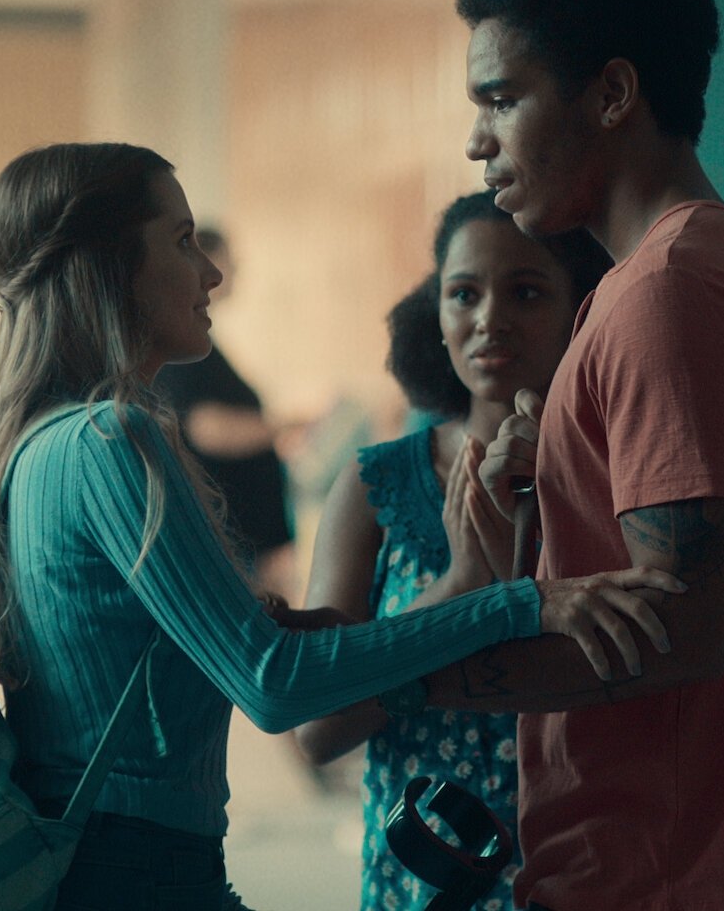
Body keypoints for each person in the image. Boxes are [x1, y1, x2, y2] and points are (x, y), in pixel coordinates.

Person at [0, 143, 681, 909]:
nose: (211, 272)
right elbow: (275, 684)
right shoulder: (109, 440)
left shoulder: (39, 443)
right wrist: (518, 604)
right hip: (134, 871)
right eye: (183, 241)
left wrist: (397, 605)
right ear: (111, 266)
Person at [403, 0, 724, 909]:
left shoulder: (671, 292)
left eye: (501, 99)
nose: (477, 142)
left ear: (611, 94)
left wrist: (390, 670)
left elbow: (683, 629)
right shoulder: (704, 267)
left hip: (674, 878)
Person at [295, 190, 612, 911]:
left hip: (592, 871)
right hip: (429, 877)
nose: (489, 318)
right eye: (463, 293)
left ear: (581, 310)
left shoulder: (617, 479)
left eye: (526, 292)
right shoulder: (376, 485)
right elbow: (316, 728)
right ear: (433, 313)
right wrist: (458, 593)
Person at [153, 228, 294, 595]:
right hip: (235, 539)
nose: (223, 274)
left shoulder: (203, 346)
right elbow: (205, 428)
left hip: (253, 540)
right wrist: (283, 428)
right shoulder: (182, 353)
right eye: (227, 262)